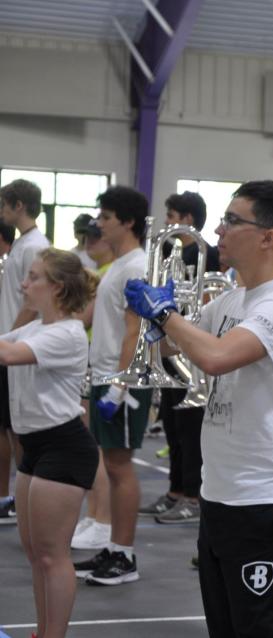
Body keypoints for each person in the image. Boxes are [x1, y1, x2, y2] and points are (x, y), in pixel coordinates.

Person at [124, 180, 273, 637]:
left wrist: (165, 314)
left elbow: (215, 356)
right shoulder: (234, 298)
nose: (219, 230)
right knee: (227, 625)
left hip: (266, 496)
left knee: (262, 627)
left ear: (268, 237)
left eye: (233, 220)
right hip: (223, 491)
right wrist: (155, 313)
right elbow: (179, 343)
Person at [4, 249, 99, 638]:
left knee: (51, 554)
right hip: (36, 447)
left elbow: (6, 354)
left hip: (63, 446)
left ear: (57, 288)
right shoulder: (36, 328)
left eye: (34, 277)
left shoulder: (67, 333)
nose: (25, 285)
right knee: (35, 554)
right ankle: (42, 632)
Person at [72, 186, 153, 586]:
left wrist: (121, 387)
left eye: (105, 217)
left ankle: (125, 556)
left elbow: (135, 332)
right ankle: (115, 547)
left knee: (121, 468)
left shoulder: (136, 266)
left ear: (127, 222)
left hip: (122, 380)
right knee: (112, 464)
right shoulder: (118, 266)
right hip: (105, 374)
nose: (99, 223)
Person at [139, 190, 220, 524]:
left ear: (188, 219)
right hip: (170, 348)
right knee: (171, 425)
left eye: (172, 216)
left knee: (190, 429)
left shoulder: (208, 255)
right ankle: (175, 491)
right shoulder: (165, 254)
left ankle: (193, 495)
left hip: (193, 348)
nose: (168, 223)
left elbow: (205, 297)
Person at [0, 179, 52, 525]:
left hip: (15, 347)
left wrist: (10, 339)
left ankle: (21, 497)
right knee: (5, 426)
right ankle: (8, 496)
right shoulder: (21, 245)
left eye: (4, 204)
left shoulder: (36, 247)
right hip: (7, 346)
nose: (1, 211)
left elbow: (32, 306)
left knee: (17, 428)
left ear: (19, 206)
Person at [70, 220, 115, 551]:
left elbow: (84, 317)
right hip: (92, 362)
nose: (87, 246)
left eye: (92, 240)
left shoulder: (109, 274)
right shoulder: (103, 271)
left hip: (99, 365)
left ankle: (103, 520)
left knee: (95, 448)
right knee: (91, 447)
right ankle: (95, 514)